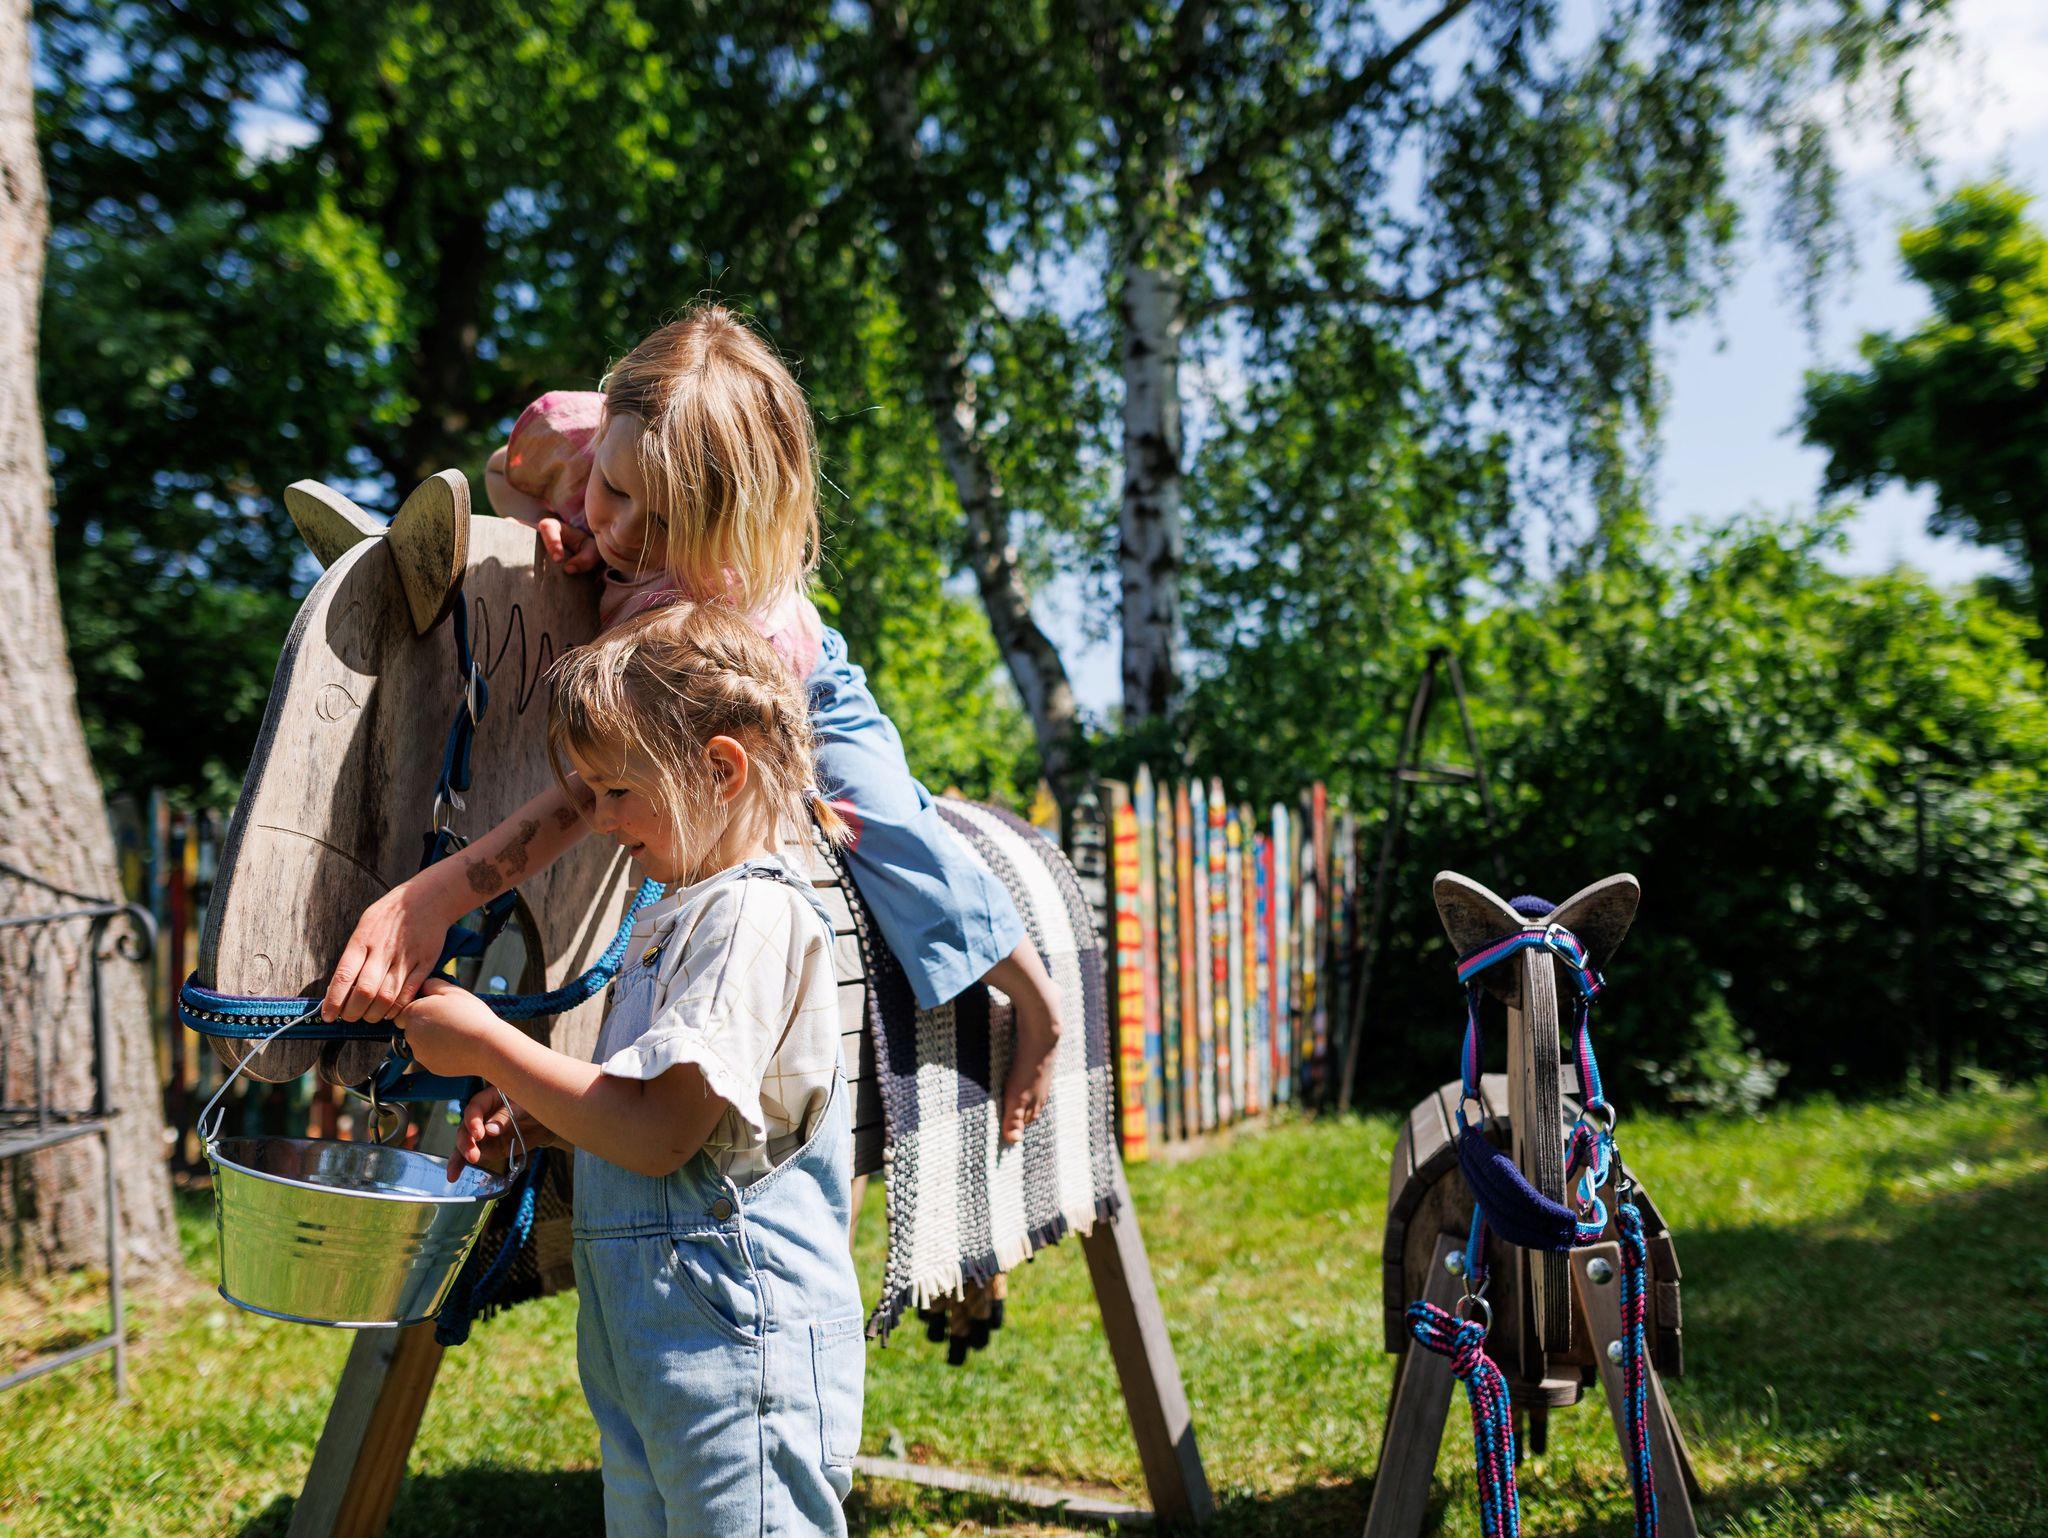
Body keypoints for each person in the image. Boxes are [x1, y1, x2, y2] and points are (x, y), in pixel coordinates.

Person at [326, 304, 1061, 1141]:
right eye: (613, 491)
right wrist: (554, 526)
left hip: (790, 685)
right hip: (643, 677)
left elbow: (588, 797)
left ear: (733, 521)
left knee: (887, 824)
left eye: (668, 525)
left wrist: (436, 897)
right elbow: (503, 477)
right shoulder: (571, 435)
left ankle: (1034, 997)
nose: (624, 532)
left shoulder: (710, 601)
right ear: (603, 425)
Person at [397, 603, 866, 1536]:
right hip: (649, 1344)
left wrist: (489, 1043)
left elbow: (658, 1138)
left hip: (739, 1351)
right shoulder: (684, 914)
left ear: (720, 770)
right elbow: (655, 1108)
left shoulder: (749, 919)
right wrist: (542, 1117)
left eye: (618, 790)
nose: (603, 821)